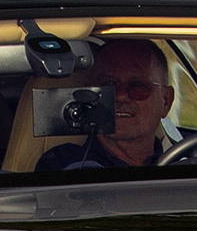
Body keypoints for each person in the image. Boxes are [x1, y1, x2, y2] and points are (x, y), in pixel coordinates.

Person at [36, 38, 178, 170]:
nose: (120, 95)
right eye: (108, 85)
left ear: (165, 101)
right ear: (88, 96)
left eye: (138, 86)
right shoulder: (64, 164)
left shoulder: (186, 160)